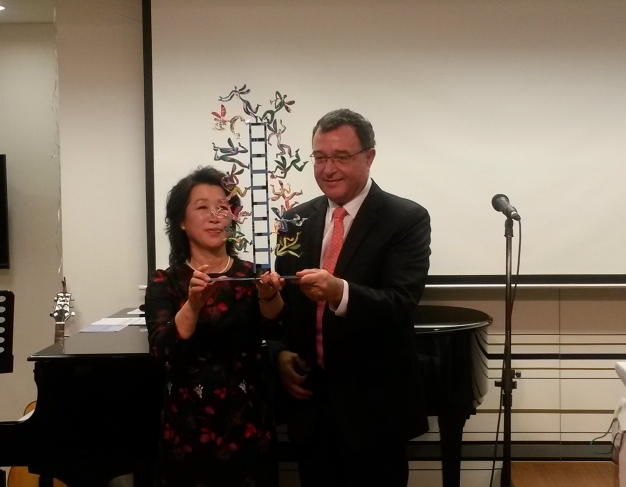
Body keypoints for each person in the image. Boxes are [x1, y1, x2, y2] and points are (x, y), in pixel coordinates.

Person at [269, 109, 431, 487]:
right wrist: (278, 353)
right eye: (320, 158)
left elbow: (400, 304)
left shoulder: (405, 218)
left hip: (374, 410)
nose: (328, 169)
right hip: (310, 406)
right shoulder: (295, 220)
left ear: (369, 157)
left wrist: (338, 291)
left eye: (340, 157)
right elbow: (286, 307)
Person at [145, 166, 285, 487]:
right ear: (181, 221)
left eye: (223, 206)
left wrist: (268, 297)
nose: (214, 215)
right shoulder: (165, 281)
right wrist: (193, 303)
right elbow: (162, 349)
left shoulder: (253, 273)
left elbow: (277, 330)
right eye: (202, 207)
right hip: (187, 427)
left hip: (249, 422)